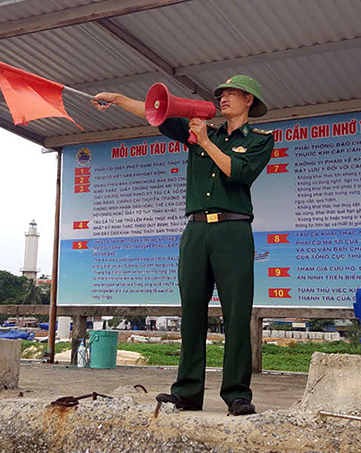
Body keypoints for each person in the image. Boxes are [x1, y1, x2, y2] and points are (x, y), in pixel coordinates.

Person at [93, 76, 273, 415]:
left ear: (249, 99)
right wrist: (117, 98)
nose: (223, 99)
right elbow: (156, 112)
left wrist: (205, 141)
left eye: (231, 94)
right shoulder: (201, 132)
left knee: (236, 314)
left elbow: (239, 173)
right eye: (221, 94)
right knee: (191, 311)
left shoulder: (260, 140)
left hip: (232, 232)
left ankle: (237, 394)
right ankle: (188, 392)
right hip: (195, 231)